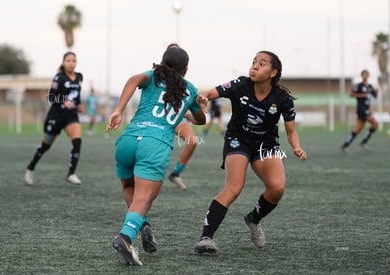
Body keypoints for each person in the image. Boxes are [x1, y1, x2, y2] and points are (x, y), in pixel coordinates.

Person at [193, 50, 307, 255]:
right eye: (254, 62)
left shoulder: (282, 98)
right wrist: (203, 98)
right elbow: (211, 93)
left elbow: (291, 131)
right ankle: (206, 238)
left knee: (277, 188)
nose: (255, 66)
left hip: (266, 145)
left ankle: (253, 218)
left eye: (262, 64)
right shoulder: (241, 84)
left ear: (273, 73)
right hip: (238, 139)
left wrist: (296, 147)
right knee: (234, 188)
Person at [106, 47, 206, 266]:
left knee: (129, 187)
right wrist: (198, 105)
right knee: (145, 197)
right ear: (186, 69)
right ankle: (125, 236)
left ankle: (142, 223)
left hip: (128, 140)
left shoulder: (153, 76)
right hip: (155, 144)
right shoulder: (190, 89)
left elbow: (133, 79)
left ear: (162, 62)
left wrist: (119, 110)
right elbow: (201, 120)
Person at [24, 51, 84, 185]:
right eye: (68, 60)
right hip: (56, 116)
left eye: (73, 60)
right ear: (63, 63)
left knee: (77, 141)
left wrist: (79, 105)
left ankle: (71, 173)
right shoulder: (59, 78)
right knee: (46, 145)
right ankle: (30, 167)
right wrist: (63, 101)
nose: (71, 63)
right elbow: (50, 97)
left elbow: (77, 95)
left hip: (71, 116)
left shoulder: (79, 77)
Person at [166, 42, 199, 190]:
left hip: (177, 117)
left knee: (192, 141)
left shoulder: (184, 82)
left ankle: (175, 174)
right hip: (159, 119)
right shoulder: (158, 77)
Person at [341, 69, 378, 153]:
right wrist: (362, 95)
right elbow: (351, 94)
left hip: (366, 109)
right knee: (375, 124)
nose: (365, 76)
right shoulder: (359, 86)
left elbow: (375, 96)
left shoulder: (370, 87)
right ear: (362, 76)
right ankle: (364, 141)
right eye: (364, 74)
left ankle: (345, 145)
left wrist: (376, 91)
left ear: (368, 75)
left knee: (358, 129)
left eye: (367, 74)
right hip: (361, 110)